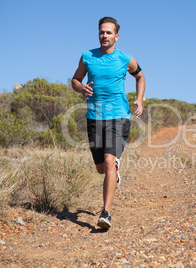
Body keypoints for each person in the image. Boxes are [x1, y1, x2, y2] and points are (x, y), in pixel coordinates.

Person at [71, 16, 145, 229]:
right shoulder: (87, 57)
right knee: (101, 168)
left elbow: (140, 77)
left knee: (110, 162)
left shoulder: (125, 59)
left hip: (118, 116)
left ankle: (106, 213)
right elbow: (75, 80)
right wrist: (81, 87)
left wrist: (139, 99)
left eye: (109, 32)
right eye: (102, 32)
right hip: (94, 116)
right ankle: (114, 171)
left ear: (116, 36)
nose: (104, 35)